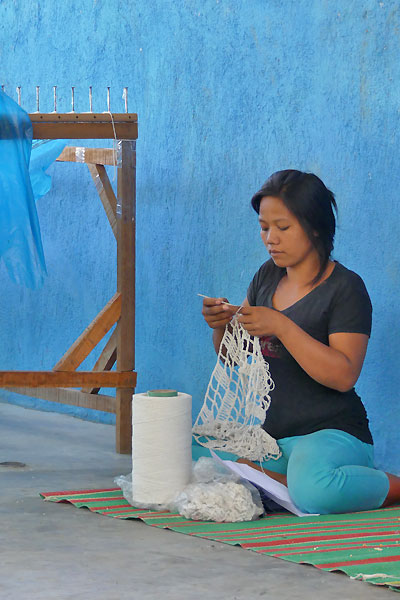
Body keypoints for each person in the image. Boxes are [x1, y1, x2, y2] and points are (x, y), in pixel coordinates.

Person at [201, 169, 400, 515]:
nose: (270, 238)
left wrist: (281, 325)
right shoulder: (266, 276)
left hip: (330, 432)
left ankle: (378, 483)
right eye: (264, 227)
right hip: (274, 437)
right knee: (196, 453)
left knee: (314, 490)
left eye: (283, 227)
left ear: (315, 227)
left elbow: (344, 375)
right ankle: (282, 480)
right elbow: (232, 356)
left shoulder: (346, 289)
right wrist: (221, 327)